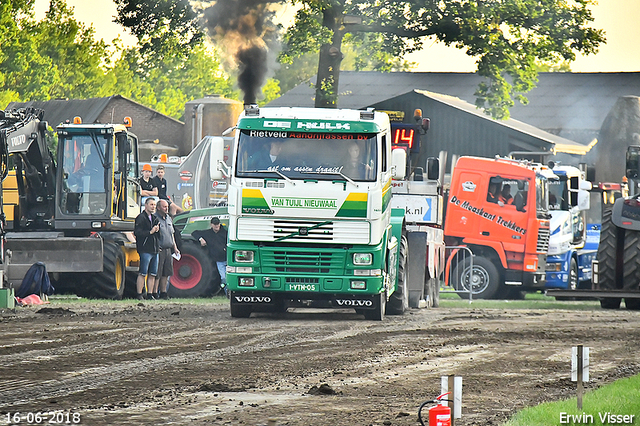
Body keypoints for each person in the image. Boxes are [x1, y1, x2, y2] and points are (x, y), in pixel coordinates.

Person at [192, 217, 228, 296]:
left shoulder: (226, 233)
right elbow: (194, 232)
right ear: (211, 225)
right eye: (215, 224)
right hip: (219, 261)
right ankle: (227, 294)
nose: (216, 226)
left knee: (227, 278)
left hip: (228, 259)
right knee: (224, 278)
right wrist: (201, 239)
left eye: (217, 224)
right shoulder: (208, 233)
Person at [152, 199, 179, 300]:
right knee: (157, 272)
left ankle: (163, 292)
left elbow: (172, 235)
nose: (166, 208)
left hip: (168, 249)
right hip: (159, 249)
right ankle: (154, 292)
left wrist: (175, 248)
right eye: (164, 207)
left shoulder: (168, 218)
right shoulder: (154, 218)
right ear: (158, 207)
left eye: (167, 206)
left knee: (166, 273)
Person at [134, 197, 160, 300]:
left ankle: (150, 294)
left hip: (155, 249)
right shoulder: (141, 218)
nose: (153, 207)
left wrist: (158, 244)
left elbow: (158, 235)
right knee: (143, 272)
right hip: (145, 249)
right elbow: (137, 232)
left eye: (154, 205)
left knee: (153, 273)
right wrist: (150, 232)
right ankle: (139, 294)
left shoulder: (155, 219)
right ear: (146, 205)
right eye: (151, 205)